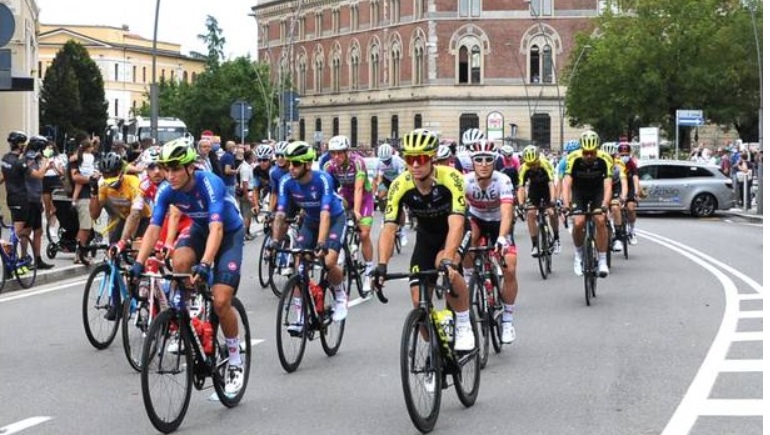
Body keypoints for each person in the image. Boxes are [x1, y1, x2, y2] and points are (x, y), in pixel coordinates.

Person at [130, 138, 247, 396]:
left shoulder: (210, 184)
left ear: (190, 168)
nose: (169, 175)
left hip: (227, 233)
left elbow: (217, 229)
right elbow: (153, 228)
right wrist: (138, 264)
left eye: (175, 169)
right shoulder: (166, 190)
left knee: (220, 301)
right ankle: (186, 319)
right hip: (199, 229)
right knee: (179, 261)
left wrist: (205, 264)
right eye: (165, 168)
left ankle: (235, 357)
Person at [371, 128, 475, 351]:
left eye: (420, 159)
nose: (415, 165)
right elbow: (389, 229)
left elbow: (456, 223)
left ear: (432, 158)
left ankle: (464, 323)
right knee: (420, 306)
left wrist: (449, 259)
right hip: (426, 237)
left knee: (444, 264)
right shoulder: (400, 185)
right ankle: (436, 355)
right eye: (410, 159)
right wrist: (381, 265)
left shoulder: (452, 178)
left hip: (454, 231)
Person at [269, 141, 349, 325]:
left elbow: (325, 213)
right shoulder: (286, 182)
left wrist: (321, 243)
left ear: (307, 164)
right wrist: (274, 241)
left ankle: (339, 294)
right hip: (311, 221)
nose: (291, 168)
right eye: (289, 163)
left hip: (334, 219)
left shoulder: (322, 179)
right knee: (300, 266)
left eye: (295, 164)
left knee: (328, 261)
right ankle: (300, 316)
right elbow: (280, 213)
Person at [461, 139, 519, 344]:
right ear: (472, 161)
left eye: (488, 159)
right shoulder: (465, 181)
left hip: (498, 222)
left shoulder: (502, 180)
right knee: (464, 242)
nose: (484, 164)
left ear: (495, 161)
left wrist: (502, 238)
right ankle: (469, 277)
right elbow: (458, 213)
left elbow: (506, 214)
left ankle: (508, 319)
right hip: (477, 218)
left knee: (510, 268)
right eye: (479, 159)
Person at [323, 135, 376, 294]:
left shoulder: (357, 162)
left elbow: (359, 189)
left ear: (347, 152)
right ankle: (342, 252)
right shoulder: (329, 166)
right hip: (345, 196)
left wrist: (357, 212)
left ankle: (368, 271)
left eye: (340, 153)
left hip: (364, 197)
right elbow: (327, 189)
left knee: (364, 234)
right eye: (333, 153)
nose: (336, 157)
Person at [563, 130, 614, 277]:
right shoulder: (573, 158)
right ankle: (578, 255)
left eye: (592, 152)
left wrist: (605, 204)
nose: (589, 156)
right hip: (579, 192)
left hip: (597, 191)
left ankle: (603, 260)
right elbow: (567, 184)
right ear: (582, 150)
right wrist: (566, 205)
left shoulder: (605, 159)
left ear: (597, 149)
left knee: (600, 219)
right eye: (586, 153)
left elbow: (608, 185)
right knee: (578, 222)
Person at [517, 144, 561, 256]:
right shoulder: (523, 168)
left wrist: (552, 200)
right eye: (530, 164)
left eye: (534, 163)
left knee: (551, 212)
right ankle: (535, 245)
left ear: (538, 159)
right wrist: (521, 203)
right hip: (534, 190)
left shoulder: (545, 164)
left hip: (547, 189)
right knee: (531, 214)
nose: (533, 167)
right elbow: (521, 187)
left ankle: (556, 239)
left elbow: (551, 184)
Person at [23, 136, 56, 270]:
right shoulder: (29, 158)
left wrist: (46, 166)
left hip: (36, 198)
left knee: (38, 230)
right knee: (27, 230)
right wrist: (45, 163)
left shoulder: (36, 158)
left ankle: (38, 259)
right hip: (28, 198)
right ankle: (23, 257)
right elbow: (38, 175)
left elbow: (39, 174)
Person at [373, 142, 408, 246]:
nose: (386, 162)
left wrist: (396, 192)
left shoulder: (398, 161)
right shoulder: (378, 162)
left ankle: (402, 231)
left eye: (387, 160)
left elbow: (402, 179)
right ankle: (385, 215)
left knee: (399, 204)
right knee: (380, 196)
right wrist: (375, 193)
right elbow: (377, 179)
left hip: (398, 180)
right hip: (386, 181)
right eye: (384, 161)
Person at [616, 142, 640, 244]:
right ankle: (616, 231)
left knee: (631, 207)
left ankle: (632, 230)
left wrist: (636, 192)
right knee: (615, 207)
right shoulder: (615, 163)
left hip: (629, 187)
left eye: (626, 155)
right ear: (618, 154)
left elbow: (635, 178)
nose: (624, 157)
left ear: (629, 154)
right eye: (622, 155)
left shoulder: (631, 163)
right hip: (618, 187)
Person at [71, 140, 96, 206]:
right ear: (87, 148)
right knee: (80, 186)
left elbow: (71, 159)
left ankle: (73, 201)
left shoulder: (80, 155)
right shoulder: (90, 156)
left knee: (77, 187)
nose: (92, 148)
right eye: (91, 147)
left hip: (82, 174)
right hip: (90, 174)